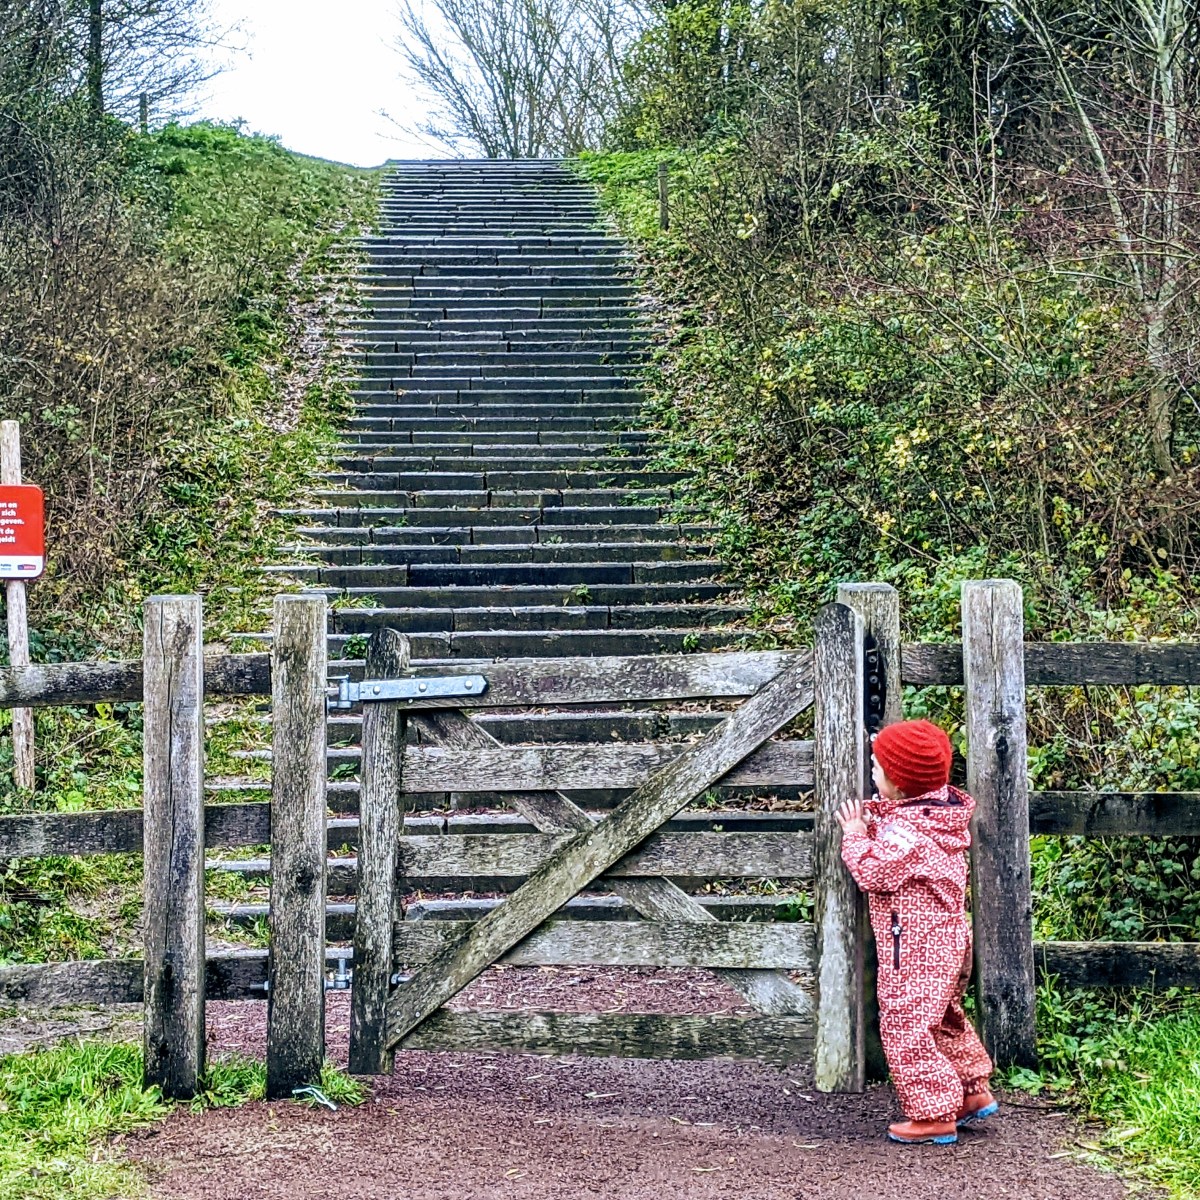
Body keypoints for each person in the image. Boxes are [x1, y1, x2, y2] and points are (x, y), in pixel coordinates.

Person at [834, 718, 997, 1145]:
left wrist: (854, 835)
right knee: (942, 1018)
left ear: (901, 786)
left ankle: (932, 1115)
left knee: (906, 1024)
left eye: (878, 769)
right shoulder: (934, 816)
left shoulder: (908, 834)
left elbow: (872, 870)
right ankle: (971, 1092)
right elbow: (899, 820)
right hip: (947, 941)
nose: (872, 773)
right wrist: (877, 815)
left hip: (917, 946)